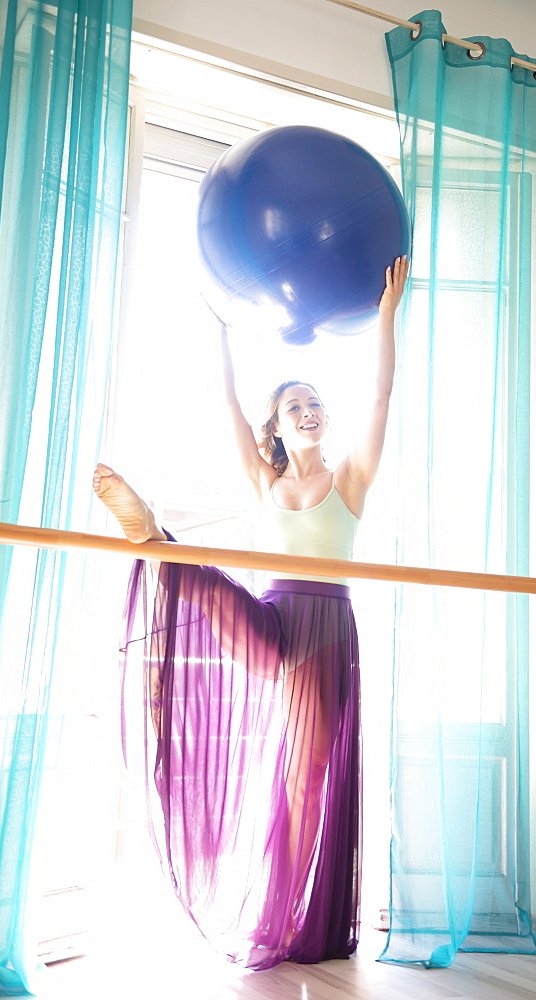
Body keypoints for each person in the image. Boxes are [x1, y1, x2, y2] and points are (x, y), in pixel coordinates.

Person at [93, 255, 409, 970]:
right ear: (277, 425)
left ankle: (290, 916)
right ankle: (156, 538)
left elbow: (382, 398)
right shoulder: (261, 480)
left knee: (303, 784)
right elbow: (229, 408)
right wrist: (222, 337)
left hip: (326, 629)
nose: (309, 410)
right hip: (268, 620)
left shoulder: (348, 479)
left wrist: (385, 316)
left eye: (316, 402)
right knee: (204, 579)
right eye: (295, 404)